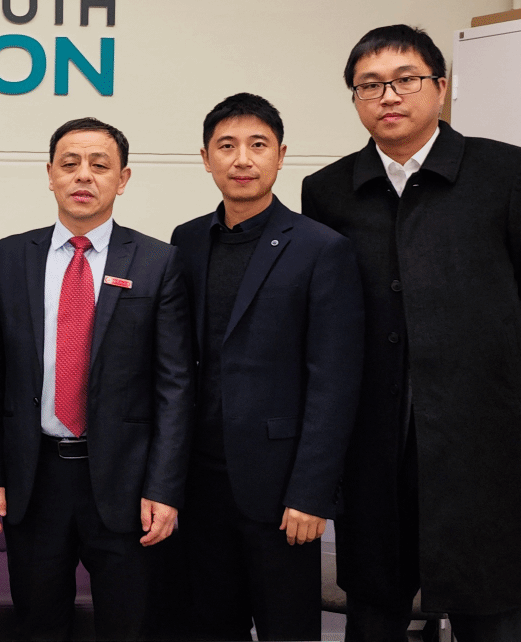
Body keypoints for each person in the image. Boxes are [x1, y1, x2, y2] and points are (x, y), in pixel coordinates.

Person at [300, 25, 521, 642]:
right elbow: (326, 314)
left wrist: (505, 377)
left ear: (441, 88)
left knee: (489, 600)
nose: (388, 96)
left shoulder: (508, 173)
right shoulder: (327, 191)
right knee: (375, 603)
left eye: (406, 80)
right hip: (373, 433)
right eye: (370, 85)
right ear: (355, 98)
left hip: (480, 430)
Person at [149, 93, 364, 642]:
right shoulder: (186, 240)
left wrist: (312, 493)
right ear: (206, 158)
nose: (242, 159)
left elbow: (334, 382)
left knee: (286, 630)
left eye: (258, 145)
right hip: (199, 486)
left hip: (280, 489)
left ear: (280, 156)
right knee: (206, 627)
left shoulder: (321, 248)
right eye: (227, 146)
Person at [0, 117, 190, 642]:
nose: (83, 176)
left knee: (128, 627)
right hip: (34, 478)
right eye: (70, 164)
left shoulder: (158, 261)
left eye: (100, 165)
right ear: (50, 174)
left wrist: (164, 487)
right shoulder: (9, 257)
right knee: (39, 624)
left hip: (126, 481)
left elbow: (174, 385)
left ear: (123, 178)